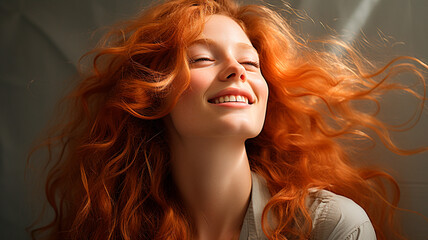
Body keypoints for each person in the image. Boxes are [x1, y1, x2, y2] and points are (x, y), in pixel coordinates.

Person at [29, 0, 427, 239]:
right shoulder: (112, 230)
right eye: (203, 57)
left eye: (250, 62)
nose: (237, 69)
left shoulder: (331, 227)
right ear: (152, 93)